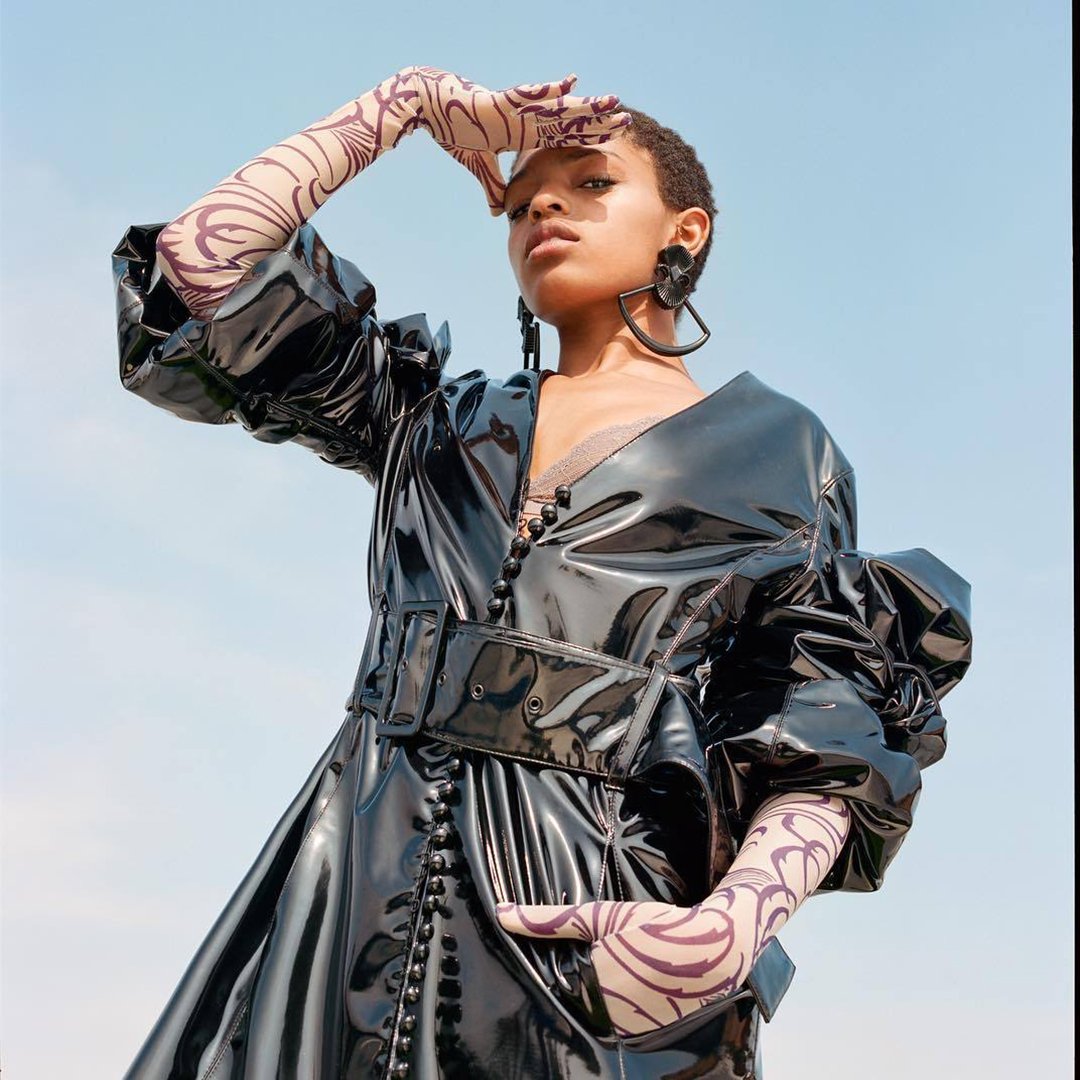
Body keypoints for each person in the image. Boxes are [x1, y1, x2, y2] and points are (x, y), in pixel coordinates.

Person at [111, 67, 973, 1080]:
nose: (543, 208)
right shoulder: (432, 418)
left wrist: (736, 922)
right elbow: (202, 270)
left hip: (582, 927)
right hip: (340, 900)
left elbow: (825, 718)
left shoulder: (778, 451)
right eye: (518, 202)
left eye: (591, 184)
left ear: (685, 231)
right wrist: (400, 108)